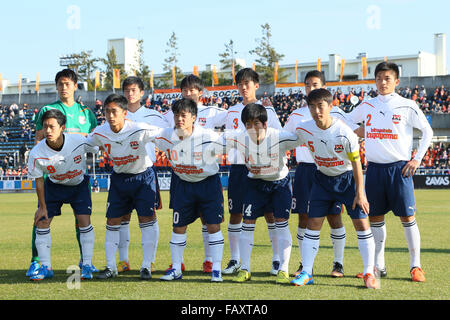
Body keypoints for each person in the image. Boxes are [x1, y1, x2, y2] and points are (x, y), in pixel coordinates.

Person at [348, 62, 433, 282]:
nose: (383, 82)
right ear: (374, 81)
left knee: (408, 217)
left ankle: (416, 266)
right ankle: (378, 266)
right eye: (379, 78)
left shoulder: (407, 105)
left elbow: (427, 132)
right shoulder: (367, 105)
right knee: (375, 218)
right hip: (374, 170)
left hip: (400, 169)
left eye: (387, 78)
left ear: (396, 81)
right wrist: (360, 131)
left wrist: (416, 159)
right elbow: (347, 123)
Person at [290, 88, 378, 289]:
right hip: (322, 180)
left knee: (362, 225)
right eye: (312, 106)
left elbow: (357, 164)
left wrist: (360, 192)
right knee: (313, 224)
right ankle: (307, 272)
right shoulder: (304, 129)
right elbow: (287, 141)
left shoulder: (344, 133)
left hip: (347, 181)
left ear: (330, 107)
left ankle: (368, 272)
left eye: (320, 106)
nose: (316, 111)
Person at [283, 70, 359, 277]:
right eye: (307, 85)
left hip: (331, 171)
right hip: (304, 170)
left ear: (324, 87)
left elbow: (356, 134)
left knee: (335, 217)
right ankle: (304, 264)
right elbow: (286, 139)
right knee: (303, 218)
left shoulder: (338, 114)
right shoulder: (297, 115)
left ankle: (338, 263)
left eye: (315, 84)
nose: (311, 88)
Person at [27, 69, 98, 278]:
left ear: (75, 86)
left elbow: (92, 144)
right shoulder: (48, 109)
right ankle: (37, 261)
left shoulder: (87, 114)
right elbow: (39, 140)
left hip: (77, 175)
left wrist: (85, 166)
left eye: (67, 84)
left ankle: (85, 262)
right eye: (60, 84)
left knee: (82, 219)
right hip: (52, 177)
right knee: (42, 216)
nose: (63, 88)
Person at [221, 103, 300, 284]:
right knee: (247, 223)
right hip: (255, 184)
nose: (252, 128)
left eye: (256, 123)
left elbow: (302, 138)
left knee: (281, 224)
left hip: (279, 184)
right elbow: (217, 141)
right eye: (248, 124)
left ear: (265, 124)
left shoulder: (280, 137)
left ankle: (283, 269)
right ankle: (246, 268)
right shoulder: (240, 138)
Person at [87, 94, 161, 280]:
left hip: (143, 177)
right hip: (119, 179)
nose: (110, 116)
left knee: (146, 219)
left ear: (124, 113)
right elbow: (87, 144)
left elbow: (164, 134)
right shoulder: (100, 132)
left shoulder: (139, 129)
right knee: (112, 221)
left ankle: (146, 266)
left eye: (114, 112)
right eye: (107, 112)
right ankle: (111, 267)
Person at [222, 68, 283, 277]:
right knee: (236, 214)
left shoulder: (269, 112)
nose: (243, 87)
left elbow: (278, 138)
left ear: (256, 85)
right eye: (239, 83)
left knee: (270, 215)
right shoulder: (231, 112)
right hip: (239, 169)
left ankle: (277, 260)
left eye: (247, 83)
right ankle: (235, 259)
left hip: (263, 170)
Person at [163, 75, 228, 274]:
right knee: (179, 221)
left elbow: (235, 122)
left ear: (201, 93)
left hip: (205, 171)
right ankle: (177, 264)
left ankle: (210, 261)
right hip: (182, 172)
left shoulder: (214, 113)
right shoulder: (169, 115)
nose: (189, 93)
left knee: (208, 220)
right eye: (185, 90)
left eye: (193, 90)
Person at [116, 76, 169, 275]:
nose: (130, 94)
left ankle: (149, 261)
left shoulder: (154, 116)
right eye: (127, 90)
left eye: (134, 90)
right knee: (122, 217)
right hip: (122, 171)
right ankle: (123, 261)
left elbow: (166, 137)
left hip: (146, 172)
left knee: (148, 216)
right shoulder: (117, 114)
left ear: (142, 93)